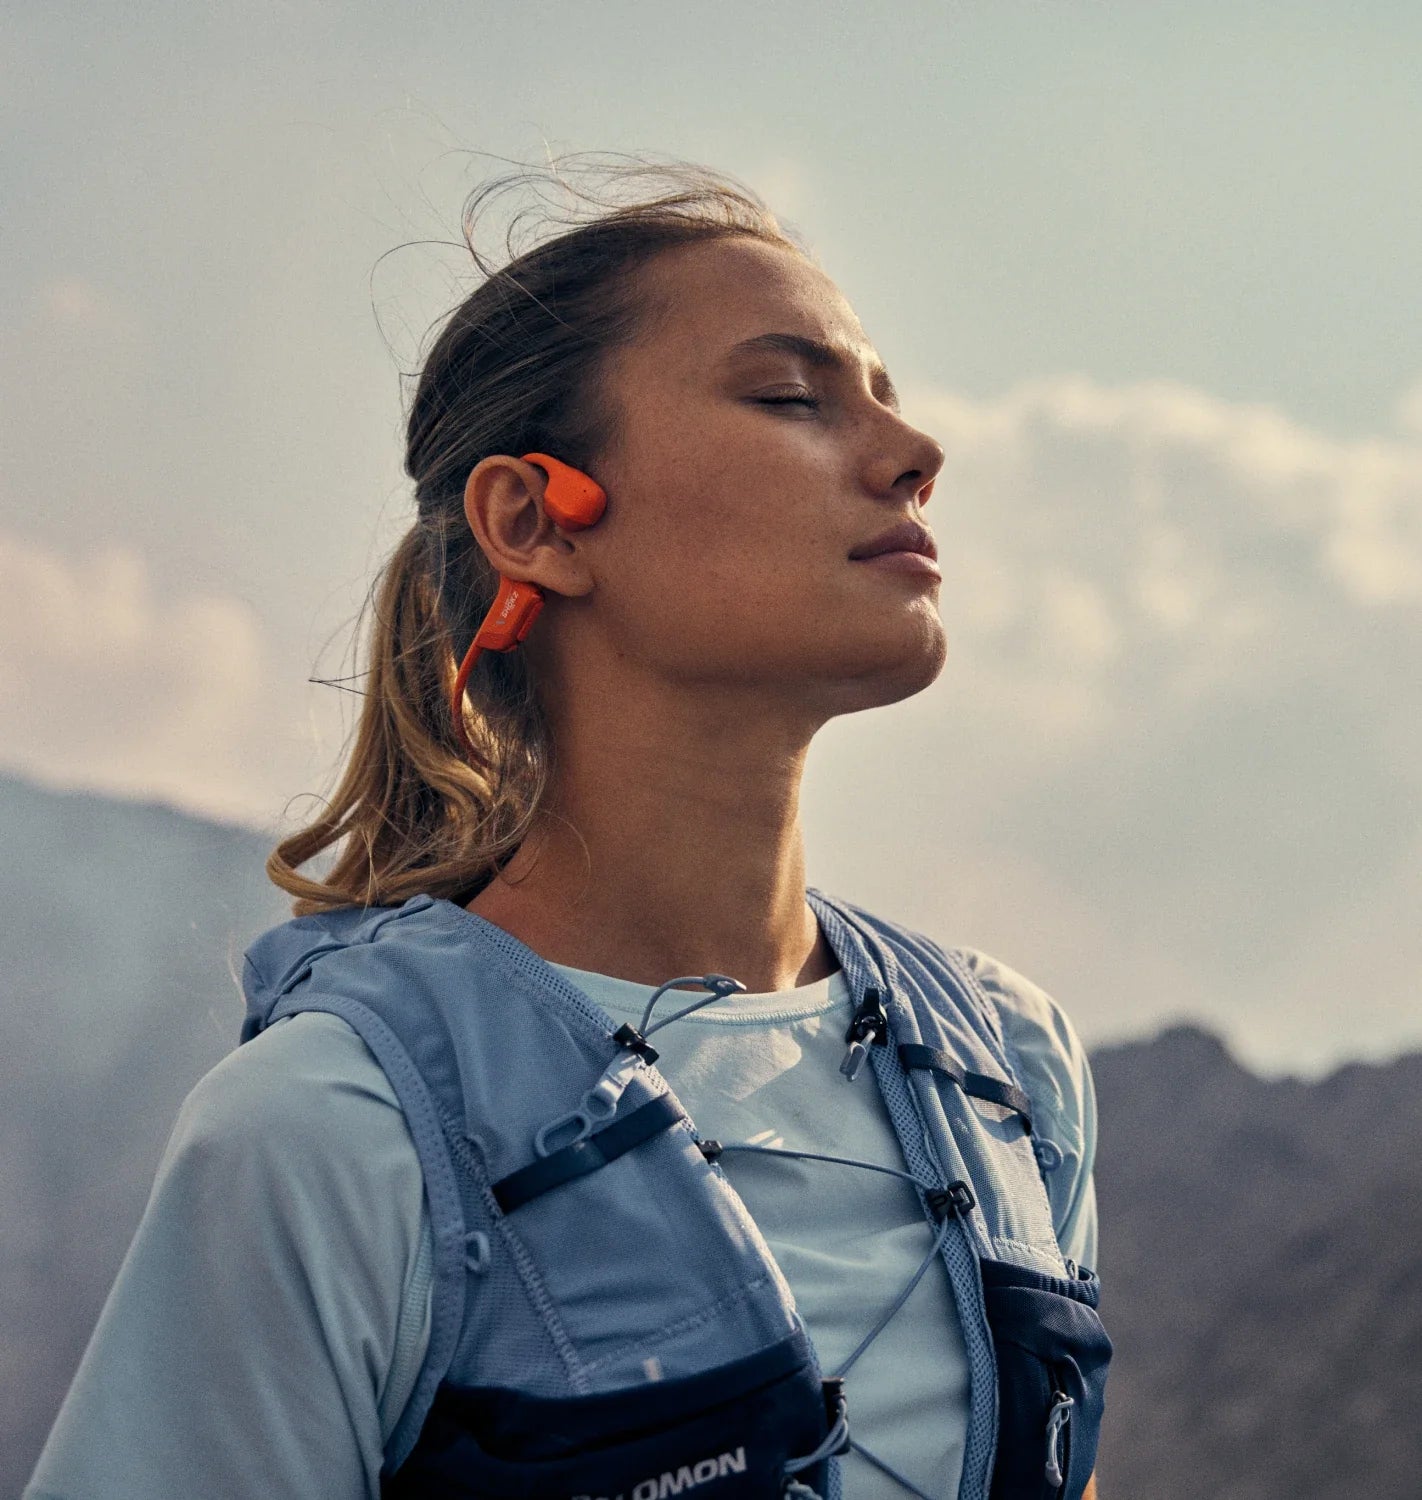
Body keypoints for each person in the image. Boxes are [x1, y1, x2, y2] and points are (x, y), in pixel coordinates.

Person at [25, 161, 1108, 1500]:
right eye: (790, 396)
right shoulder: (331, 1130)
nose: (915, 452)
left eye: (886, 395)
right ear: (535, 521)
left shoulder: (1007, 1072)